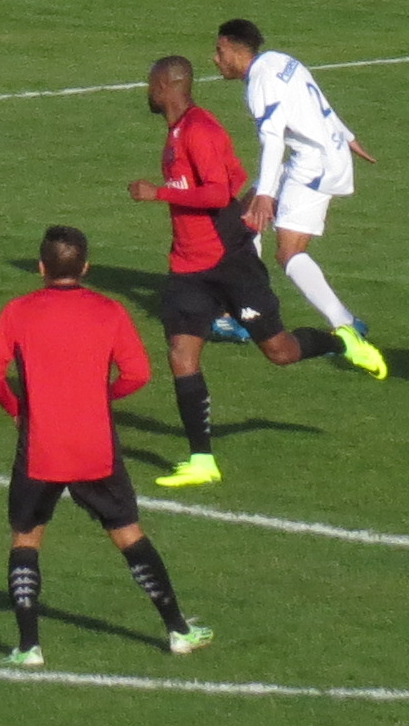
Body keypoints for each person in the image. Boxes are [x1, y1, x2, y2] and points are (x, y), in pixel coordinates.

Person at [0, 224, 211, 668]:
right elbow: (138, 374)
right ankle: (178, 630)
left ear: (41, 267)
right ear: (86, 267)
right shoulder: (109, 311)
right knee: (127, 533)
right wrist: (100, 398)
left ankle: (29, 646)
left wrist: (16, 408)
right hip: (95, 446)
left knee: (26, 538)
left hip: (42, 444)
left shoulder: (19, 310)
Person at [126, 53, 335, 488]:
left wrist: (158, 194)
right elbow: (237, 176)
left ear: (168, 86)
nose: (148, 91)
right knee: (182, 356)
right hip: (187, 265)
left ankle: (338, 342)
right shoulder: (180, 131)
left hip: (228, 262)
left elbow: (219, 191)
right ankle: (202, 459)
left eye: (151, 83)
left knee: (280, 352)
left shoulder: (198, 130)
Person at [211, 18, 389, 380]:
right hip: (321, 153)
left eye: (218, 51)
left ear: (232, 46)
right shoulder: (280, 60)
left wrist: (266, 194)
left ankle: (344, 322)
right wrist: (347, 135)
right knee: (243, 219)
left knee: (288, 251)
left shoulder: (260, 81)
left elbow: (273, 139)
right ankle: (241, 313)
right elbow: (317, 99)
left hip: (313, 163)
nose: (215, 59)